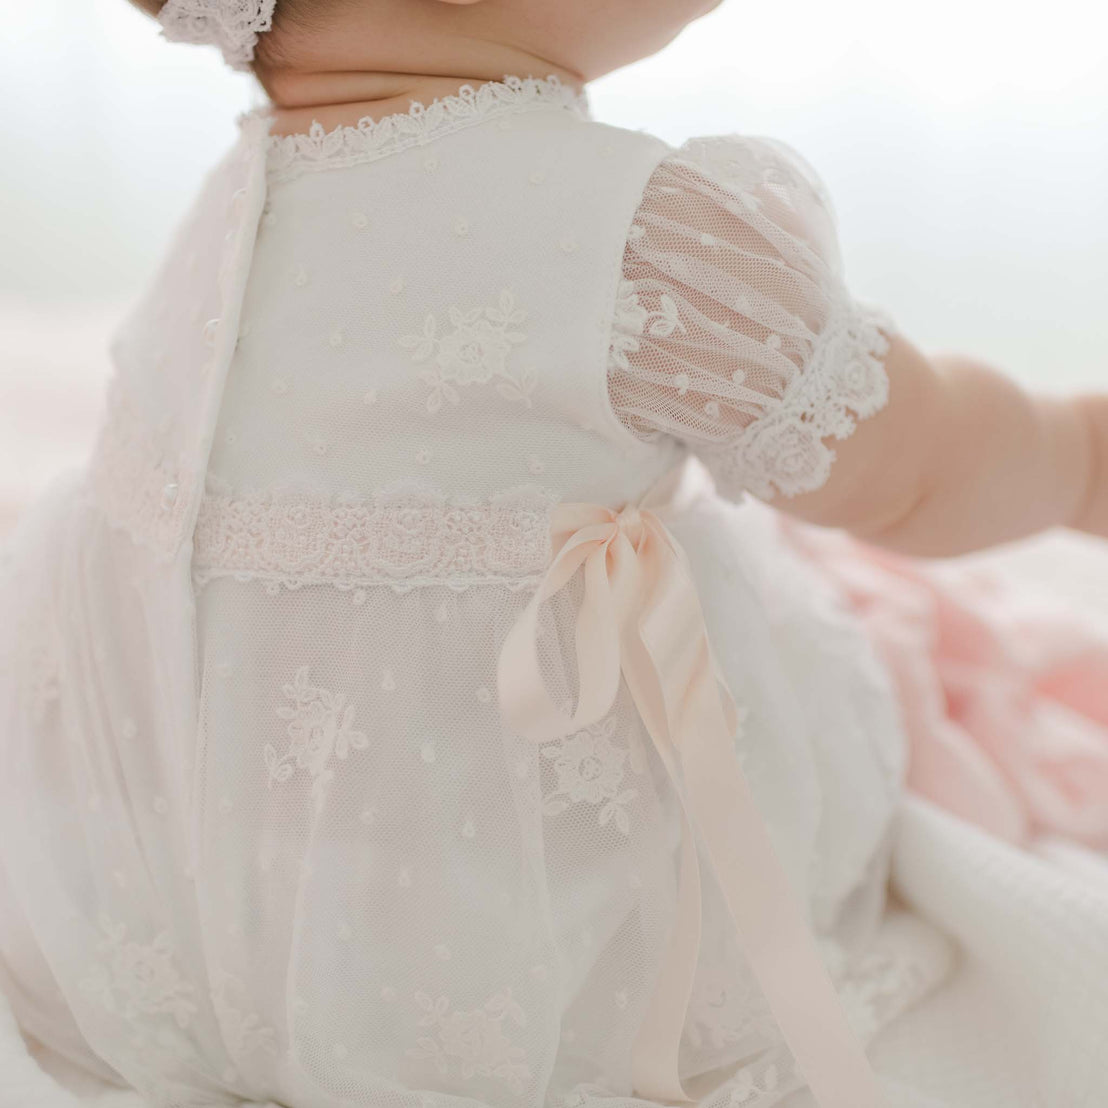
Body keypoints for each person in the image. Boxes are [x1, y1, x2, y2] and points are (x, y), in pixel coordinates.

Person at [2, 1, 1107, 1106]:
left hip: (159, 913)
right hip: (495, 950)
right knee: (822, 661)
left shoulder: (235, 199)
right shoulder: (644, 238)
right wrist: (1072, 453)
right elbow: (905, 460)